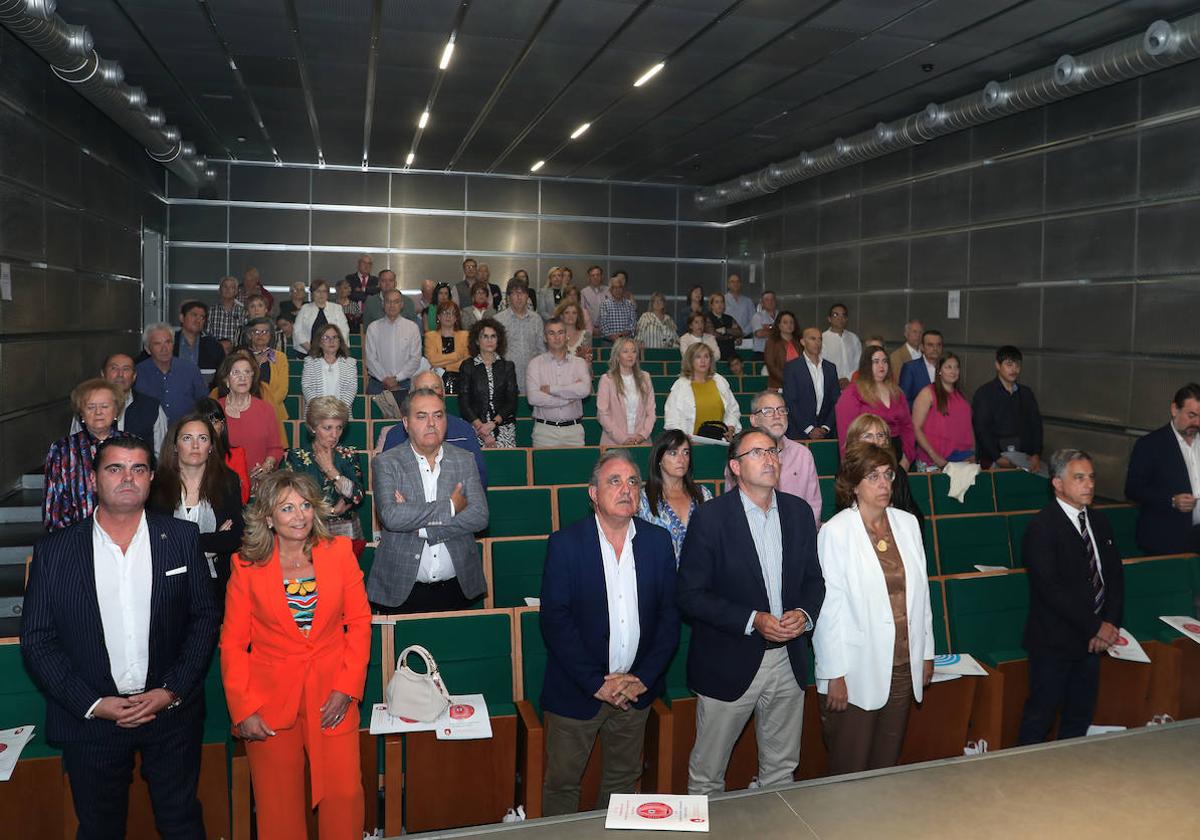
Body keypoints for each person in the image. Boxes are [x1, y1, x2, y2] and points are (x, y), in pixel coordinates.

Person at [22, 436, 220, 839]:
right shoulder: (55, 552)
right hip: (92, 720)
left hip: (170, 714)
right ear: (95, 479)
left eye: (138, 469)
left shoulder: (182, 539)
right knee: (99, 829)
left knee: (182, 822)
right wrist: (94, 704)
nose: (127, 478)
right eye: (115, 468)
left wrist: (171, 691)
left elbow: (204, 620)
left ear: (150, 478)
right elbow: (38, 641)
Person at [220, 471, 371, 840]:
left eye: (305, 505)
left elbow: (360, 623)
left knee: (344, 796)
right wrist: (244, 709)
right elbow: (233, 643)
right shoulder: (246, 565)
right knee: (278, 807)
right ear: (268, 517)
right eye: (287, 508)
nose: (300, 515)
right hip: (270, 702)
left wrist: (347, 688)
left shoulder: (338, 554)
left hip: (333, 695)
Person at [678, 429, 825, 795]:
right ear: (735, 467)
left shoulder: (799, 512)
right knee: (707, 776)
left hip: (787, 661)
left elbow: (814, 580)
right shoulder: (710, 518)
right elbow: (690, 595)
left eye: (773, 451)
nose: (770, 458)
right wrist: (752, 620)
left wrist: (804, 615)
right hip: (728, 659)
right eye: (758, 452)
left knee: (780, 772)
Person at [540, 450, 680, 815]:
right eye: (614, 481)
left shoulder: (657, 541)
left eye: (633, 481)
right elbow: (555, 621)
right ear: (593, 493)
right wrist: (595, 682)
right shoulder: (565, 544)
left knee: (622, 781)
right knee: (562, 784)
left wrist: (643, 678)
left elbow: (669, 619)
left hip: (635, 693)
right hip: (576, 691)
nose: (626, 489)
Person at [814, 443, 934, 774]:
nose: (884, 484)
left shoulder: (907, 523)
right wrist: (833, 672)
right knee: (849, 765)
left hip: (901, 665)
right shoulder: (836, 532)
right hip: (855, 669)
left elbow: (921, 595)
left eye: (887, 475)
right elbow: (829, 610)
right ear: (853, 484)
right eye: (873, 477)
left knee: (886, 764)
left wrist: (926, 653)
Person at [1018, 449, 1124, 745]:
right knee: (1040, 716)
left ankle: (1069, 782)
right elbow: (1050, 590)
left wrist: (1110, 623)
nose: (1088, 485)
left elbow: (1113, 577)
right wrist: (1095, 626)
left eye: (1091, 477)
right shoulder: (1041, 527)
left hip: (1092, 643)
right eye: (1079, 478)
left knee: (1080, 717)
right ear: (1057, 483)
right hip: (1054, 641)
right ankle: (1020, 781)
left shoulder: (1100, 522)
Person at [369, 388, 490, 613]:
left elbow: (480, 517)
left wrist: (419, 527)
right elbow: (391, 517)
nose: (431, 423)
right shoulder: (387, 463)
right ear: (406, 423)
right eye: (421, 416)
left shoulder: (464, 460)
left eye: (438, 415)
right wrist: (451, 507)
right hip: (402, 589)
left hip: (457, 587)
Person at [148, 413, 244, 585]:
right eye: (187, 438)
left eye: (202, 438)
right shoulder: (157, 485)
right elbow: (156, 540)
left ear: (211, 446)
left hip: (216, 583)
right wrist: (213, 542)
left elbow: (235, 536)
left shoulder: (228, 481)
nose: (195, 445)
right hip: (169, 581)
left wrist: (182, 543)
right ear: (175, 446)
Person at [1124, 383, 1200, 555]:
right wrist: (1172, 500)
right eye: (1192, 415)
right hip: (1165, 541)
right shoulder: (1150, 445)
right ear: (1174, 409)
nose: (1197, 423)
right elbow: (1133, 490)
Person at [45, 379, 130, 531]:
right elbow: (54, 505)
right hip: (76, 536)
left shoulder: (133, 445)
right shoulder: (62, 449)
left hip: (127, 534)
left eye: (105, 406)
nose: (98, 412)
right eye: (91, 407)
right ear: (81, 413)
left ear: (116, 411)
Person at [725, 391, 821, 525]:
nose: (777, 416)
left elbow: (813, 506)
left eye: (781, 410)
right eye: (768, 411)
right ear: (754, 420)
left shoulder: (803, 455)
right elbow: (730, 508)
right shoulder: (741, 456)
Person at [382, 370, 489, 489]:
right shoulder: (396, 435)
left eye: (435, 388)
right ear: (411, 395)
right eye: (423, 389)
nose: (430, 393)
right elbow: (387, 484)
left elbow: (479, 478)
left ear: (443, 394)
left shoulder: (464, 430)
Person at [284, 396, 365, 548]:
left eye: (339, 427)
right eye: (327, 428)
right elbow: (296, 499)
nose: (334, 435)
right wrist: (333, 510)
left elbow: (357, 496)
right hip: (308, 531)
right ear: (313, 427)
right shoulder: (297, 457)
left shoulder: (349, 455)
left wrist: (331, 471)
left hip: (346, 533)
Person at [637, 430, 713, 563]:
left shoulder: (703, 494)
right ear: (659, 459)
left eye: (686, 453)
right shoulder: (642, 499)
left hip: (702, 577)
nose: (681, 459)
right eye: (673, 453)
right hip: (660, 578)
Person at [835, 347, 916, 468]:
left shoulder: (897, 392)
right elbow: (846, 432)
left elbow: (907, 426)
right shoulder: (853, 392)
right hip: (865, 456)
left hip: (897, 457)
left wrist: (906, 459)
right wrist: (854, 464)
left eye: (884, 361)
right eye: (876, 361)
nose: (881, 365)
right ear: (867, 365)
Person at [70, 353, 168, 454]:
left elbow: (161, 452)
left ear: (134, 376)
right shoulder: (86, 406)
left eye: (126, 369)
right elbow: (74, 448)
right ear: (103, 374)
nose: (120, 374)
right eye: (114, 368)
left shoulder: (151, 407)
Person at [972, 345, 1045, 475]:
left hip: (1025, 459)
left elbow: (1036, 426)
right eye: (1009, 364)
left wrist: (1036, 454)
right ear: (998, 365)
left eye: (1017, 365)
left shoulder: (1026, 393)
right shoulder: (984, 393)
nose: (1014, 369)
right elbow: (981, 429)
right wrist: (997, 457)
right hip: (994, 458)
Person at [216, 351, 284, 480]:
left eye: (247, 372)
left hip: (259, 484)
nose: (243, 377)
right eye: (236, 373)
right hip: (223, 483)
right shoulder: (215, 410)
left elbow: (275, 449)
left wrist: (266, 466)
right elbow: (208, 448)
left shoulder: (266, 409)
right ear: (226, 380)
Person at [527, 317, 592, 448]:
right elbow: (534, 398)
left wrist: (552, 389)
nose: (557, 337)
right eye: (551, 333)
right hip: (544, 432)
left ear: (567, 336)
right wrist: (568, 398)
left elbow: (584, 390)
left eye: (560, 332)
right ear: (545, 338)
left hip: (574, 431)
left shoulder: (579, 363)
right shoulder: (535, 364)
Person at [459, 318, 519, 449]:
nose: (489, 340)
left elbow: (512, 402)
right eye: (485, 336)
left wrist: (492, 424)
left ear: (498, 340)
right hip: (475, 427)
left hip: (504, 427)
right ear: (477, 341)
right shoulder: (467, 366)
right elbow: (464, 403)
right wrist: (482, 429)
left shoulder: (508, 366)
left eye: (493, 336)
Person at [664, 342, 740, 442]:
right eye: (698, 357)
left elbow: (733, 410)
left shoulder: (720, 381)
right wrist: (684, 439)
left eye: (706, 356)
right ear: (690, 360)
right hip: (691, 444)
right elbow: (672, 419)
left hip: (720, 442)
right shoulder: (680, 385)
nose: (703, 361)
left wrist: (731, 429)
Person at [912, 352, 975, 469]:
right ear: (939, 371)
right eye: (948, 367)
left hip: (964, 459)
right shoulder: (927, 393)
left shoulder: (962, 395)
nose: (953, 371)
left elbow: (969, 426)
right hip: (934, 463)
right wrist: (935, 457)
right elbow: (916, 427)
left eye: (956, 367)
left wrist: (973, 451)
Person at [135, 323, 209, 423]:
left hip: (185, 431)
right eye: (157, 344)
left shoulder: (190, 370)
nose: (164, 348)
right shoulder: (138, 373)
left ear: (173, 345)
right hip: (149, 434)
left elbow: (204, 403)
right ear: (148, 349)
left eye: (168, 342)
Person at [783, 326, 840, 441]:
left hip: (826, 432)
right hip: (799, 432)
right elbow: (789, 402)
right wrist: (809, 429)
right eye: (813, 339)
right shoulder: (792, 367)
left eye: (820, 339)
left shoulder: (830, 368)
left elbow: (836, 401)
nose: (817, 343)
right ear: (803, 342)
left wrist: (825, 427)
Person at [239, 316, 289, 442]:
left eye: (265, 332)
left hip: (274, 412)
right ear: (250, 335)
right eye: (256, 332)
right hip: (244, 412)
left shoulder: (280, 357)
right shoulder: (240, 356)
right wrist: (251, 408)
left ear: (271, 336)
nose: (260, 335)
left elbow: (282, 390)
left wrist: (265, 407)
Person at [597, 337, 655, 446]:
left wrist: (643, 434)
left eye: (633, 351)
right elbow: (603, 414)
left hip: (642, 441)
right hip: (613, 441)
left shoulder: (645, 378)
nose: (630, 355)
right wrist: (622, 438)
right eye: (625, 351)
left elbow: (651, 412)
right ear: (617, 356)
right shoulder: (607, 380)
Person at [365, 288, 423, 397]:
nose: (392, 305)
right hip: (377, 383)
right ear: (383, 304)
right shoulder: (373, 328)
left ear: (401, 304)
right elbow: (370, 358)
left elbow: (415, 358)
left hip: (404, 383)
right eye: (388, 301)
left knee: (405, 414)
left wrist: (397, 379)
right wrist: (385, 378)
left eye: (396, 302)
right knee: (373, 414)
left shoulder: (412, 328)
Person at [195, 397, 251, 504]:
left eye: (215, 422)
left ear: (222, 424)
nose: (209, 427)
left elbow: (243, 497)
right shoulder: (190, 456)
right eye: (204, 422)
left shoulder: (236, 454)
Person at [494, 279, 544, 394]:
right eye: (515, 293)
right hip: (506, 378)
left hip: (532, 376)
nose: (519, 297)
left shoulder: (536, 319)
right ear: (508, 297)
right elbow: (494, 352)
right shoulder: (498, 320)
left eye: (522, 293)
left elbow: (541, 349)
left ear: (527, 296)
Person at [302, 324, 359, 409]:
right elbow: (307, 388)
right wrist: (320, 409)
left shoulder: (350, 363)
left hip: (341, 413)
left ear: (340, 341)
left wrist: (338, 410)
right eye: (326, 338)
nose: (331, 341)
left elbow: (350, 389)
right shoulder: (310, 362)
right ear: (320, 343)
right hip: (316, 414)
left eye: (335, 337)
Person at [293, 279, 351, 355]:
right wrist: (311, 350)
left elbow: (344, 331)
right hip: (308, 352)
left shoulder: (337, 308)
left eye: (324, 291)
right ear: (312, 293)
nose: (321, 294)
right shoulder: (305, 308)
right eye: (318, 291)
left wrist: (332, 350)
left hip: (333, 353)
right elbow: (297, 331)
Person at [424, 300, 470, 393]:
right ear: (439, 316)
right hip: (436, 381)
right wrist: (457, 356)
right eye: (445, 312)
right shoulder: (430, 336)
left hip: (461, 381)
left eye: (453, 313)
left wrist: (442, 365)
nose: (449, 316)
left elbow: (466, 363)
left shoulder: (465, 335)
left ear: (456, 318)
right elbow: (432, 360)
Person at [174, 301, 226, 372]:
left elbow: (221, 374)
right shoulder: (169, 342)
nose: (198, 320)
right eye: (194, 315)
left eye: (202, 317)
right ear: (182, 318)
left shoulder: (214, 346)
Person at [898, 329, 943, 407]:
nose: (935, 348)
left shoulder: (947, 368)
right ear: (922, 347)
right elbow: (903, 401)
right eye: (930, 345)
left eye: (938, 345)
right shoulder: (910, 368)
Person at [821, 303, 862, 388]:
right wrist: (836, 380)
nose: (840, 318)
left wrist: (848, 378)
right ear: (829, 319)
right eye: (836, 315)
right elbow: (821, 363)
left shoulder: (853, 338)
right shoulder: (822, 338)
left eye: (843, 315)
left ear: (846, 319)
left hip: (852, 384)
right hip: (829, 385)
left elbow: (859, 362)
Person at [763, 310, 801, 391]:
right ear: (779, 325)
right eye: (785, 322)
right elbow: (771, 365)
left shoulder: (799, 342)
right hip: (777, 386)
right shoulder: (772, 342)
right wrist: (787, 379)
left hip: (798, 384)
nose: (789, 325)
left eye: (791, 322)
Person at [598, 273, 637, 345]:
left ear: (623, 289)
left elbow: (633, 324)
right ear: (610, 290)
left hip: (626, 341)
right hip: (609, 342)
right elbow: (603, 325)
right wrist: (613, 337)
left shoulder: (629, 304)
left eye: (619, 287)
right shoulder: (604, 304)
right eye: (614, 288)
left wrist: (622, 335)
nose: (617, 290)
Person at [210, 275, 247, 350]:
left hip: (236, 352)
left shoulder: (243, 312)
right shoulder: (211, 310)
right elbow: (207, 335)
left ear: (236, 291)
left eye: (231, 287)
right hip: (214, 351)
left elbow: (245, 336)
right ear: (220, 290)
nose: (228, 289)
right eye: (225, 287)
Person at [707, 292, 743, 361]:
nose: (720, 305)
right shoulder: (707, 318)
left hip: (730, 354)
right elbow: (714, 335)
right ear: (711, 305)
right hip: (714, 354)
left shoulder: (729, 318)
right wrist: (731, 336)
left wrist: (725, 331)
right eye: (717, 302)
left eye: (722, 302)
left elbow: (739, 332)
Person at [555, 298, 592, 363]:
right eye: (567, 313)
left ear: (578, 316)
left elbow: (588, 363)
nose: (570, 316)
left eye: (574, 313)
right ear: (561, 316)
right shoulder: (555, 336)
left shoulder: (586, 335)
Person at [579, 265, 611, 336]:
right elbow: (582, 313)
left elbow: (612, 310)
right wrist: (592, 328)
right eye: (592, 275)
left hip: (608, 331)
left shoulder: (608, 290)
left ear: (602, 276)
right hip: (589, 330)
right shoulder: (584, 292)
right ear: (589, 277)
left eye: (598, 275)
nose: (595, 277)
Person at [724, 273, 755, 342]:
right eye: (732, 281)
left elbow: (753, 320)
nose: (735, 284)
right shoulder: (722, 300)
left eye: (738, 281)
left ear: (741, 284)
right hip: (726, 339)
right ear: (728, 285)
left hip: (745, 338)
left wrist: (742, 333)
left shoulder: (748, 301)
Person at [749, 290, 778, 356]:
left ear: (776, 301)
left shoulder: (781, 315)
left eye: (772, 299)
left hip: (777, 353)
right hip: (761, 353)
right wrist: (778, 331)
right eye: (767, 300)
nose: (770, 302)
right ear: (762, 303)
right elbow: (759, 334)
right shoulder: (757, 316)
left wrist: (769, 328)